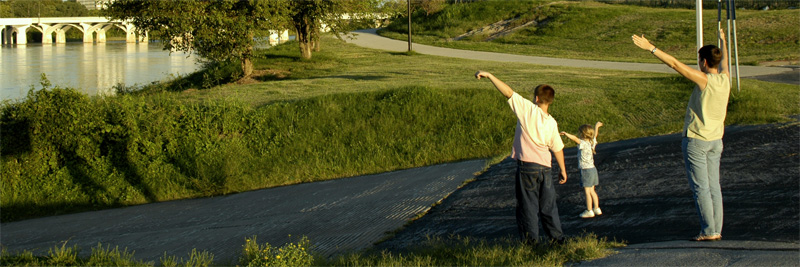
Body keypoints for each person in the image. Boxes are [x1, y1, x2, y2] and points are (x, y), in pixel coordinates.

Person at [632, 29, 730, 242]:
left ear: (704, 62)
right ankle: (715, 229)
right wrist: (723, 43)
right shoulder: (725, 79)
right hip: (716, 141)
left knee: (701, 188)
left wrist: (651, 48)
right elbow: (724, 63)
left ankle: (708, 230)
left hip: (697, 140)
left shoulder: (705, 81)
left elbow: (675, 64)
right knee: (714, 186)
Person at [475, 70, 568, 245]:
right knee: (548, 206)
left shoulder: (528, 110)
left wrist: (490, 76)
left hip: (527, 167)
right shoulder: (552, 122)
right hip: (546, 168)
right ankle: (557, 240)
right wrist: (562, 169)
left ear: (537, 99)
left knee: (528, 206)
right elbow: (557, 148)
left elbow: (508, 92)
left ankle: (531, 242)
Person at [561, 122, 604, 218]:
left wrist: (566, 134)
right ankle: (596, 208)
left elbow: (575, 139)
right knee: (592, 191)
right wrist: (596, 126)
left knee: (587, 192)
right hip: (593, 169)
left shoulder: (583, 143)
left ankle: (589, 210)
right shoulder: (591, 142)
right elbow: (595, 135)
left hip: (586, 170)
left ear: (583, 134)